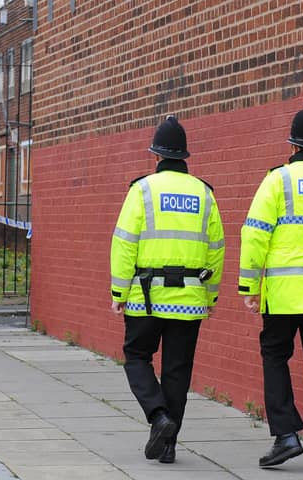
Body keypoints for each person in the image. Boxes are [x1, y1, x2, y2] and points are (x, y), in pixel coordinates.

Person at [110, 115, 225, 464]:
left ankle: (158, 417)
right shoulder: (204, 193)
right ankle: (170, 446)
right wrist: (211, 296)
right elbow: (216, 248)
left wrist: (118, 292)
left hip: (146, 296)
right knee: (177, 370)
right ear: (184, 157)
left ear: (156, 156)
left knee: (137, 357)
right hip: (189, 298)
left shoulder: (142, 189)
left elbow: (124, 243)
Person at [239, 102, 303, 475]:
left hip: (283, 293)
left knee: (275, 355)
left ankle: (286, 434)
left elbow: (255, 232)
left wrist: (249, 284)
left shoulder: (278, 180)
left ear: (292, 147)